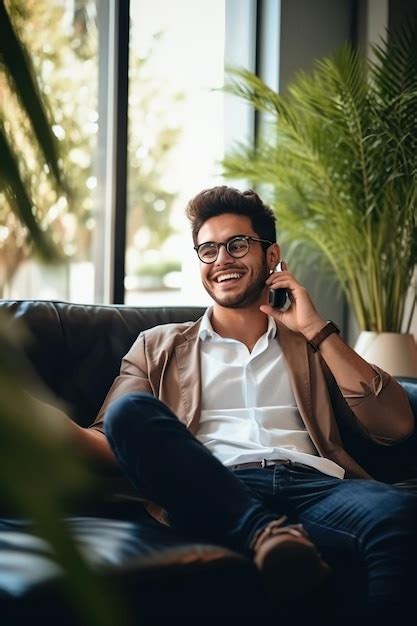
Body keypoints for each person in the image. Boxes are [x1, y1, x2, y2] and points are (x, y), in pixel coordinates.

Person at [73, 186, 417, 617]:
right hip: (213, 483)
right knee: (129, 410)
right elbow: (115, 437)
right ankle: (265, 535)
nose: (222, 260)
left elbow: (396, 426)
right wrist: (39, 420)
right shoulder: (157, 345)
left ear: (271, 257)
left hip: (315, 488)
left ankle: (269, 538)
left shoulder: (309, 341)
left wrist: (316, 329)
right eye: (208, 249)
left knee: (399, 513)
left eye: (237, 245)